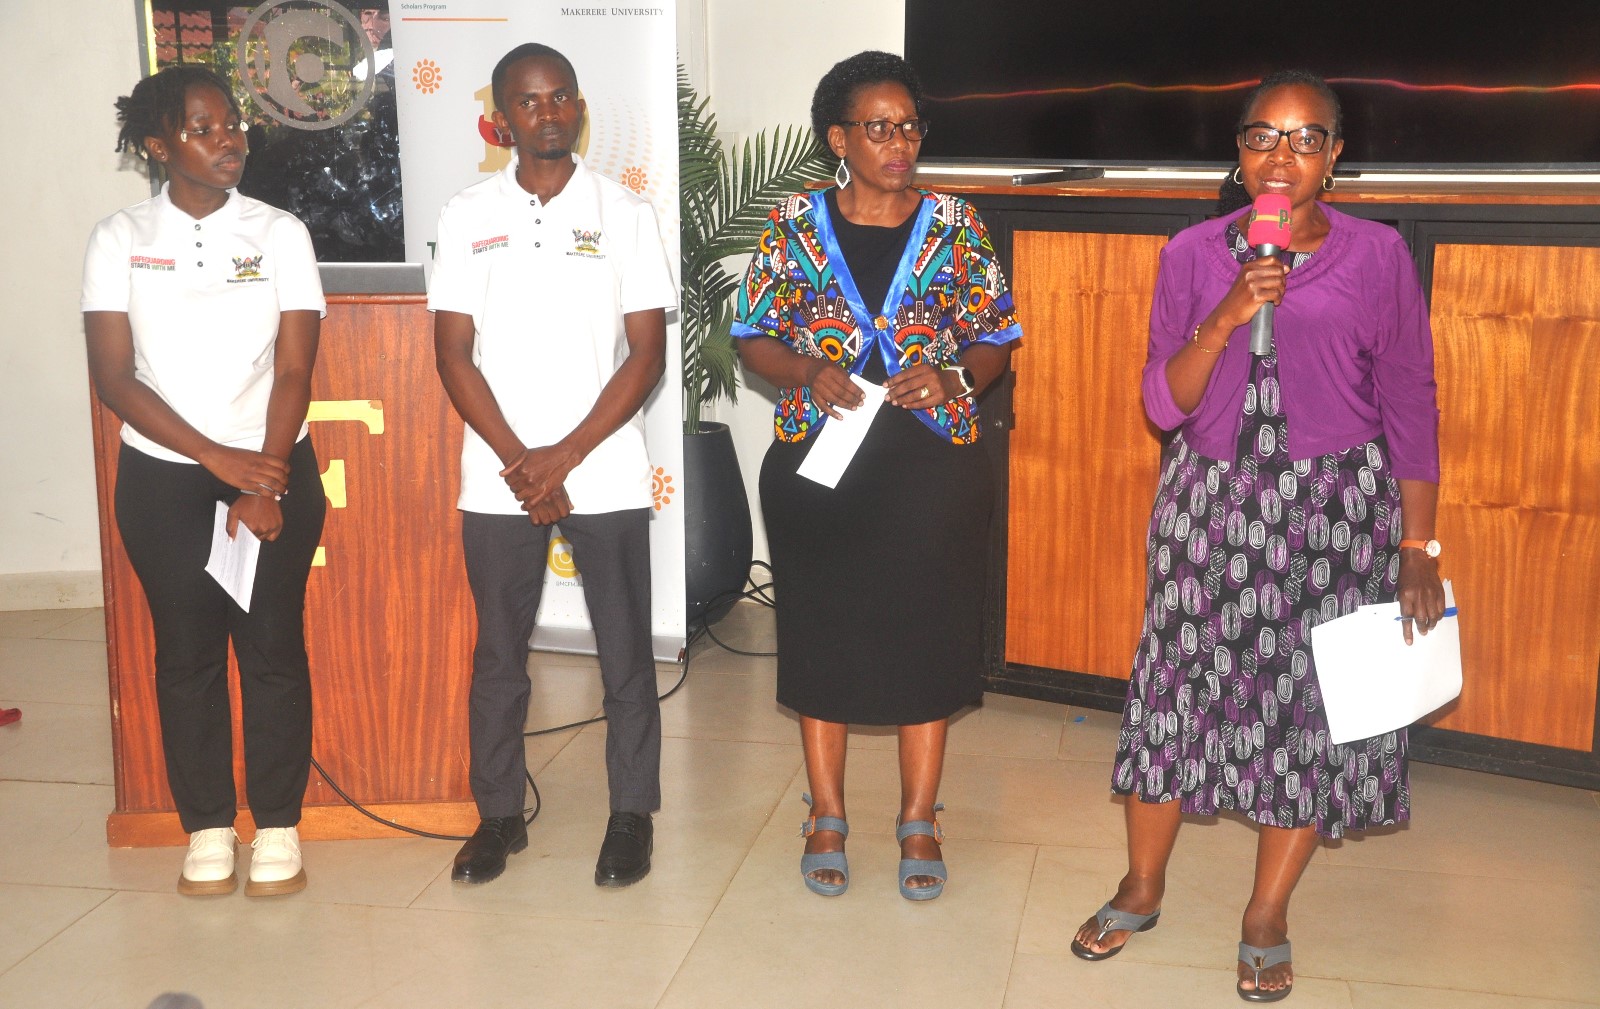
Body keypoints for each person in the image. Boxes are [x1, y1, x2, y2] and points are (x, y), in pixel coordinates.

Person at [1069, 71, 1447, 1001]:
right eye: (1263, 137)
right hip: (1208, 505)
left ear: (1336, 156)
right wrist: (1231, 310)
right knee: (1173, 692)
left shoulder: (1378, 256)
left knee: (1310, 716)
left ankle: (1266, 913)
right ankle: (1142, 884)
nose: (1283, 156)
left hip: (1337, 514)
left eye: (1306, 138)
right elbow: (1164, 402)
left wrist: (1418, 547)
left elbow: (1409, 400)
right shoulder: (1195, 253)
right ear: (1237, 155)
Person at [733, 50, 1022, 900]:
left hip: (932, 462)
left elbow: (998, 338)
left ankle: (919, 818)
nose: (900, 143)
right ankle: (826, 812)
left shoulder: (956, 223)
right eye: (880, 127)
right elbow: (751, 333)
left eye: (910, 126)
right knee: (822, 632)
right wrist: (801, 370)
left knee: (925, 635)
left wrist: (955, 376)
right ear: (839, 138)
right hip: (817, 461)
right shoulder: (790, 224)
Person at [430, 43, 676, 888]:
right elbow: (453, 353)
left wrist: (564, 454)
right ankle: (499, 815)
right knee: (499, 654)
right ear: (501, 117)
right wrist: (520, 460)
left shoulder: (625, 211)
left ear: (578, 108)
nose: (548, 112)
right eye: (529, 102)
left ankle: (630, 814)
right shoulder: (466, 214)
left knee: (624, 654)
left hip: (601, 466)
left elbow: (646, 354)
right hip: (496, 474)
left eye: (561, 96)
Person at [82, 65, 327, 897]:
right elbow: (116, 379)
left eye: (234, 124)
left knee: (270, 649)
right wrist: (213, 461)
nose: (230, 139)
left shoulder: (279, 232)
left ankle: (280, 824)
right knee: (185, 654)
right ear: (159, 145)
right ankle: (210, 826)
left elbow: (295, 366)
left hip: (270, 466)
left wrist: (263, 475)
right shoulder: (118, 239)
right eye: (205, 126)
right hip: (163, 478)